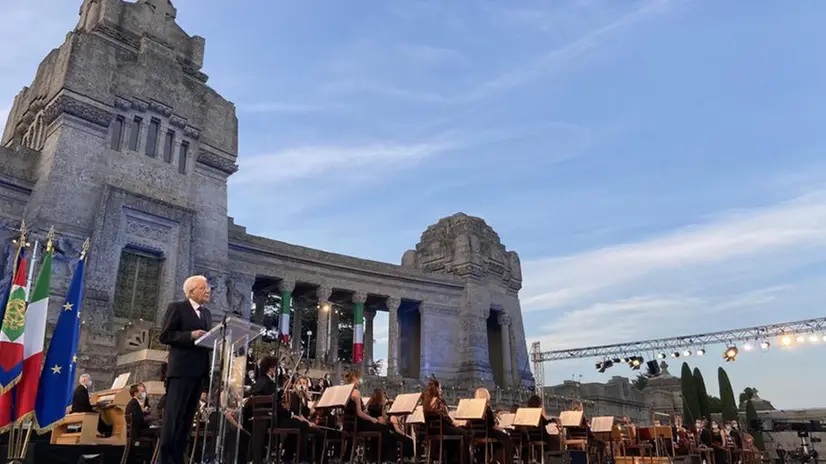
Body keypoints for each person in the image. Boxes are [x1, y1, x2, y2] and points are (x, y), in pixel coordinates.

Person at [158, 275, 213, 464]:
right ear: (191, 291)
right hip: (180, 372)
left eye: (208, 288)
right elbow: (165, 335)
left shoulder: (207, 314)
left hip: (198, 374)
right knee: (174, 419)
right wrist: (190, 335)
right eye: (203, 288)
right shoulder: (178, 308)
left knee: (187, 422)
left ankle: (179, 458)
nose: (208, 291)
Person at [422, 377, 473, 464]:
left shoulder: (426, 403)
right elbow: (444, 416)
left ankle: (452, 459)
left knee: (456, 435)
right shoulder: (438, 401)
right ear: (437, 388)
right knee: (464, 432)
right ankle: (464, 461)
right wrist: (453, 422)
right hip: (443, 429)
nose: (441, 390)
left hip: (432, 431)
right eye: (440, 388)